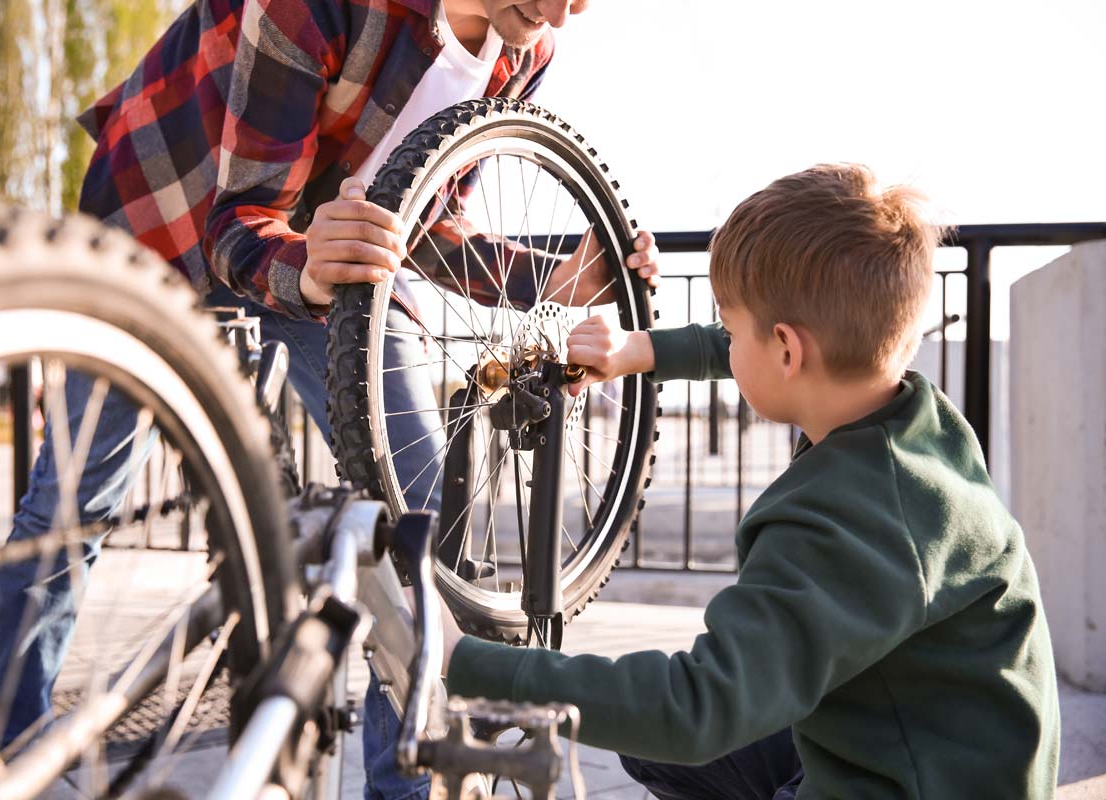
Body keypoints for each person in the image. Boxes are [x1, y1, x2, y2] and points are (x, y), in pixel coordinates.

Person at [0, 1, 660, 797]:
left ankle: (406, 784)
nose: (569, 7)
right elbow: (239, 220)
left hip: (339, 263)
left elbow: (431, 223)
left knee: (424, 516)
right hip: (170, 217)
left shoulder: (525, 46)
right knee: (73, 507)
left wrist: (555, 278)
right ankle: (5, 758)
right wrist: (312, 269)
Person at [439, 163, 1060, 799]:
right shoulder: (909, 421)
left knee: (674, 729)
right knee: (658, 753)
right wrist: (641, 350)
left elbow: (696, 708)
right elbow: (762, 339)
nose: (726, 347)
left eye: (732, 330)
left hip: (905, 782)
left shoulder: (847, 518)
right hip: (943, 750)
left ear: (788, 352)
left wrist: (462, 663)